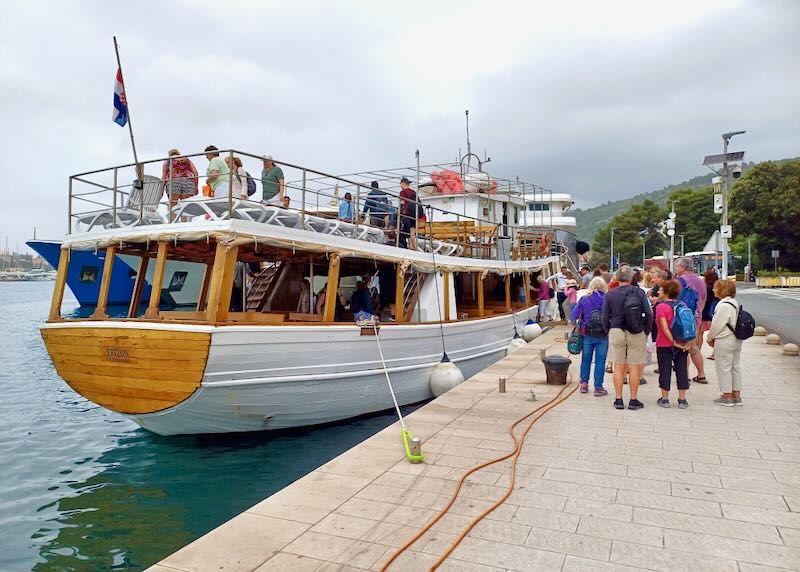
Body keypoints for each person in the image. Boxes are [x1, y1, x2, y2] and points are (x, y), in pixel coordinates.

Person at [602, 265, 652, 410]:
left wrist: (608, 331)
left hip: (616, 330)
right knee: (634, 367)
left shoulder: (610, 294)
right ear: (632, 278)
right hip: (636, 331)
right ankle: (633, 399)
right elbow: (649, 314)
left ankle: (618, 399)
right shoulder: (639, 292)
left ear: (617, 278)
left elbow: (605, 316)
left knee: (618, 366)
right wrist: (646, 331)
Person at [654, 279, 691, 409]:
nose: (658, 291)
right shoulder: (682, 305)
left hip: (664, 343)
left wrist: (672, 342)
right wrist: (687, 342)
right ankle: (682, 399)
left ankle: (665, 398)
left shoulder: (661, 307)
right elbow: (689, 325)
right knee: (682, 369)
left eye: (660, 289)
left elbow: (664, 328)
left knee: (665, 370)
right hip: (683, 342)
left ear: (665, 292)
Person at [707, 279, 743, 406]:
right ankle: (736, 394)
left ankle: (726, 396)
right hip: (736, 338)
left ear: (722, 290)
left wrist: (709, 337)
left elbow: (717, 325)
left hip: (725, 339)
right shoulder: (734, 303)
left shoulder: (723, 305)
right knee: (735, 366)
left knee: (723, 367)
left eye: (716, 288)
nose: (713, 290)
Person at [570, 277, 609, 396]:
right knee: (600, 361)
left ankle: (584, 384)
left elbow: (573, 315)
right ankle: (598, 387)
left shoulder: (584, 299)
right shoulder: (607, 299)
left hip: (587, 333)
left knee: (586, 359)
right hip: (603, 334)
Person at [675, 257, 707, 384]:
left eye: (677, 266)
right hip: (695, 317)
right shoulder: (700, 281)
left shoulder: (679, 281)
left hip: (681, 319)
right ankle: (701, 374)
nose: (676, 269)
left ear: (683, 267)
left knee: (684, 347)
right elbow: (703, 299)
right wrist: (698, 315)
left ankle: (685, 376)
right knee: (694, 347)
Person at [702, 269, 719, 359]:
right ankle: (715, 353)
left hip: (704, 313)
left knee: (699, 334)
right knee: (716, 335)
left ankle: (698, 349)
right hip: (714, 313)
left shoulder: (705, 287)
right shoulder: (718, 288)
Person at [398, 177, 420, 249]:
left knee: (408, 232)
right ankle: (413, 247)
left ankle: (412, 247)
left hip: (407, 213)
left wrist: (399, 213)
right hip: (415, 213)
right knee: (412, 231)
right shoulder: (414, 192)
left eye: (400, 184)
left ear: (402, 183)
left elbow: (402, 203)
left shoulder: (402, 192)